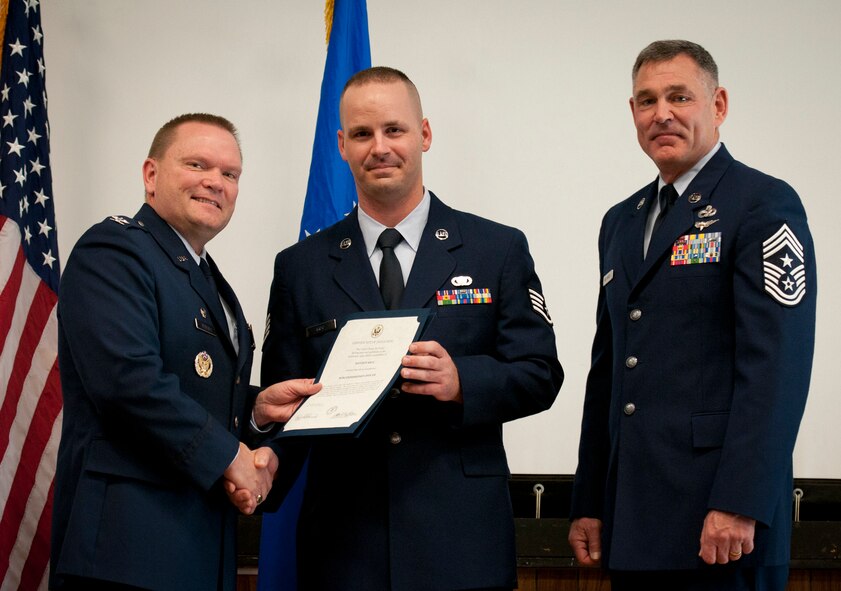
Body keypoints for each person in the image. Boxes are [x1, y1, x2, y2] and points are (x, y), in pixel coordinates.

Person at [258, 66, 563, 591]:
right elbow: (286, 401)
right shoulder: (300, 266)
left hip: (461, 543)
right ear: (342, 145)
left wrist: (463, 381)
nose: (380, 147)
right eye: (362, 133)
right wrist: (263, 445)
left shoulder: (498, 249)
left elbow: (540, 373)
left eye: (394, 130)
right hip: (343, 550)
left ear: (423, 134)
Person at [568, 40, 817, 591]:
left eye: (679, 96)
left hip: (724, 524)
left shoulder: (762, 204)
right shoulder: (622, 221)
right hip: (633, 519)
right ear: (632, 112)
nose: (662, 113)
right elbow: (608, 371)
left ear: (718, 105)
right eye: (647, 100)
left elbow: (777, 367)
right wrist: (590, 499)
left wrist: (739, 501)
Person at [50, 113, 318, 591]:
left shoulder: (209, 282)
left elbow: (200, 390)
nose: (215, 182)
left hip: (198, 549)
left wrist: (255, 413)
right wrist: (230, 458)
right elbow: (128, 384)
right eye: (197, 165)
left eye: (229, 174)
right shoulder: (114, 252)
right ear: (151, 175)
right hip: (125, 554)